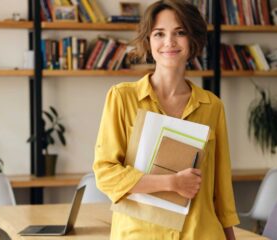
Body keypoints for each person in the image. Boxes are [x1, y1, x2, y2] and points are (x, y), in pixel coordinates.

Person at [93, 0, 239, 239]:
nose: (169, 42)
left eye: (180, 33)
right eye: (159, 34)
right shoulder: (122, 97)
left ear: (193, 41)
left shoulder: (212, 106)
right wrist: (171, 183)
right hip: (138, 234)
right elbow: (106, 175)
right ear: (148, 42)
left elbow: (222, 191)